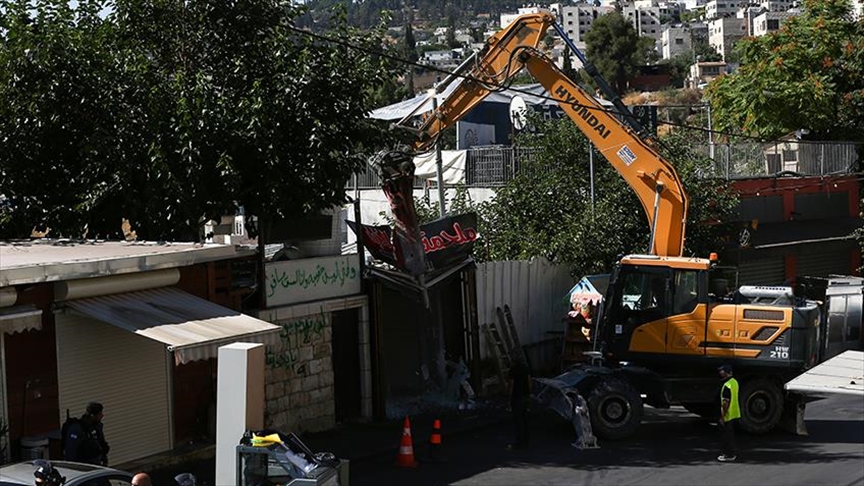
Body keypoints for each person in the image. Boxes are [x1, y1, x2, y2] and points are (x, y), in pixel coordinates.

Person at [506, 351, 531, 450]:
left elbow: (511, 385)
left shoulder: (512, 370)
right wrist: (529, 394)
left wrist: (508, 398)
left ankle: (519, 442)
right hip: (525, 396)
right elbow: (529, 382)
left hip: (516, 397)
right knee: (525, 420)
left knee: (518, 420)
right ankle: (526, 440)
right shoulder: (526, 369)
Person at [717, 364, 741, 462]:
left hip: (728, 415)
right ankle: (731, 453)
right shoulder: (734, 382)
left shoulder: (727, 385)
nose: (720, 373)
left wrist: (722, 417)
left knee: (726, 437)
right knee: (730, 435)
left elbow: (726, 402)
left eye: (722, 371)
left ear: (726, 373)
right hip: (735, 413)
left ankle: (728, 455)